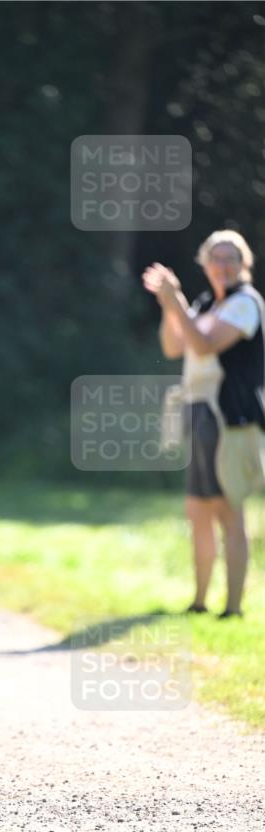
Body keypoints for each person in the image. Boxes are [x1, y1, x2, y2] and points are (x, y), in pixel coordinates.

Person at [143, 231, 264, 618]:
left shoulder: (246, 304)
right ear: (206, 263)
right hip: (198, 411)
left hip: (229, 416)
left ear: (244, 263)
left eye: (231, 258)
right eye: (217, 258)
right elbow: (174, 347)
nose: (224, 266)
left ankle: (232, 608)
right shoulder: (208, 303)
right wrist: (168, 305)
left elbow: (205, 345)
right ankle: (199, 602)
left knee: (229, 510)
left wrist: (177, 302)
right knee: (198, 510)